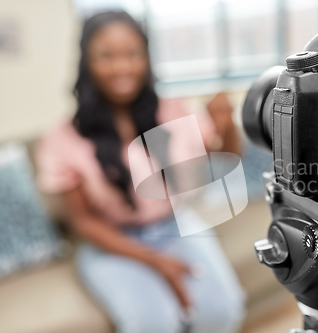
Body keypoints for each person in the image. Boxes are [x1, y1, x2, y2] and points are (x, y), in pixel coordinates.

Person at [35, 11, 245, 333]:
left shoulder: (171, 110)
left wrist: (227, 122)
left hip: (176, 225)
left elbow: (226, 158)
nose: (122, 66)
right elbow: (82, 222)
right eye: (107, 55)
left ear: (146, 58)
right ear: (86, 61)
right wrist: (157, 262)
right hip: (113, 241)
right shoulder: (61, 139)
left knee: (221, 311)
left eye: (132, 54)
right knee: (153, 323)